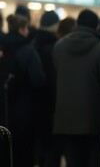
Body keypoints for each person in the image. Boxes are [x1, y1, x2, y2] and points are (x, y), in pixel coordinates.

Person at [53, 9, 100, 167]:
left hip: (66, 119)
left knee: (73, 161)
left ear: (77, 24)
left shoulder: (59, 47)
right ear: (97, 27)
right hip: (96, 120)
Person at [0, 14, 45, 167]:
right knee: (23, 151)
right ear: (21, 29)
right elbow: (38, 79)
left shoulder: (2, 46)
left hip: (3, 104)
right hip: (23, 107)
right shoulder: (28, 50)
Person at [32, 11, 62, 167]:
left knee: (40, 145)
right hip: (51, 104)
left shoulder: (33, 43)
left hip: (33, 102)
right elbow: (53, 79)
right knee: (52, 147)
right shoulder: (54, 47)